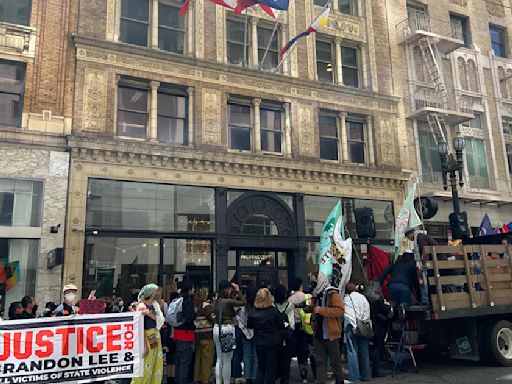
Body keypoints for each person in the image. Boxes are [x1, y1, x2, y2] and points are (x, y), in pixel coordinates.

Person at [311, 272, 344, 384]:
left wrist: (322, 310)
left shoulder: (332, 293)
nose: (313, 283)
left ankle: (339, 381)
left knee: (335, 361)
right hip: (318, 332)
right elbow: (315, 309)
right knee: (320, 361)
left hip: (331, 333)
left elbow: (340, 310)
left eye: (314, 280)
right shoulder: (315, 294)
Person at [247, 288, 284, 384]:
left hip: (259, 341)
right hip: (273, 341)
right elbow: (281, 325)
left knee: (261, 367)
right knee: (271, 367)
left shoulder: (253, 312)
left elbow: (249, 325)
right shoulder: (274, 311)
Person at [131, 283, 165, 384]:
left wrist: (150, 313)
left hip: (155, 334)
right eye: (155, 291)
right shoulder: (142, 305)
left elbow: (160, 320)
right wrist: (143, 345)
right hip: (146, 335)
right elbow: (139, 326)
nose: (157, 293)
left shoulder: (155, 305)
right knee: (145, 365)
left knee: (156, 364)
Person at [213, 281, 245, 384]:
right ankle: (226, 382)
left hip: (217, 329)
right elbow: (243, 302)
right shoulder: (227, 301)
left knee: (219, 359)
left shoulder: (217, 301)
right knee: (227, 360)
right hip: (227, 329)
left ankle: (218, 382)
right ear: (227, 289)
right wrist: (238, 290)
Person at [288, 278, 315, 383]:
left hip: (297, 327)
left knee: (301, 352)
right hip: (309, 326)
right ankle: (316, 374)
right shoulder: (308, 297)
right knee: (312, 351)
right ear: (300, 286)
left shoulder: (290, 299)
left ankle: (303, 375)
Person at [344, 282, 371, 383]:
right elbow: (367, 310)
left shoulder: (347, 298)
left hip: (352, 326)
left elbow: (347, 314)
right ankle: (366, 375)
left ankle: (355, 377)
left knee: (352, 351)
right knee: (364, 351)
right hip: (363, 325)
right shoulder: (363, 297)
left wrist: (353, 326)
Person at [364, 281, 392, 378]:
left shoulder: (367, 299)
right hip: (380, 325)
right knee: (378, 347)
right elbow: (386, 310)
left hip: (371, 324)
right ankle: (376, 370)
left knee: (373, 347)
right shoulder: (379, 300)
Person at [405, 227, 438, 304]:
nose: (409, 238)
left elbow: (425, 251)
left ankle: (425, 300)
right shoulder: (420, 237)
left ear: (411, 233)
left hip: (430, 262)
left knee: (423, 281)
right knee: (424, 281)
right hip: (431, 262)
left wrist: (423, 266)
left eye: (408, 236)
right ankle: (427, 299)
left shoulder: (420, 237)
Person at [173, 281, 196, 384]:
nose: (194, 290)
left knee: (178, 360)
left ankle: (177, 380)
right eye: (193, 288)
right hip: (186, 334)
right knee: (185, 361)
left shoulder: (177, 300)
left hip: (177, 333)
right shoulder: (188, 301)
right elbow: (189, 318)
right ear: (190, 289)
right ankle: (183, 381)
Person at [236, 285, 258, 384]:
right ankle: (255, 375)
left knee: (247, 354)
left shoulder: (243, 305)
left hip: (245, 332)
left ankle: (247, 376)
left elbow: (239, 318)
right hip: (257, 332)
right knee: (255, 354)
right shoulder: (258, 305)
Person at [273, 284, 294, 384]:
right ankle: (284, 380)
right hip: (287, 338)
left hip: (274, 337)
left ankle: (276, 377)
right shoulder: (290, 305)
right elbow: (292, 324)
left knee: (274, 361)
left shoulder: (272, 306)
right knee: (286, 362)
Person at [194, 287, 215, 384]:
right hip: (207, 334)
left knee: (198, 357)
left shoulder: (197, 306)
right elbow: (212, 318)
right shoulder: (207, 306)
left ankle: (197, 377)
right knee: (207, 358)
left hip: (198, 334)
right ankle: (205, 379)